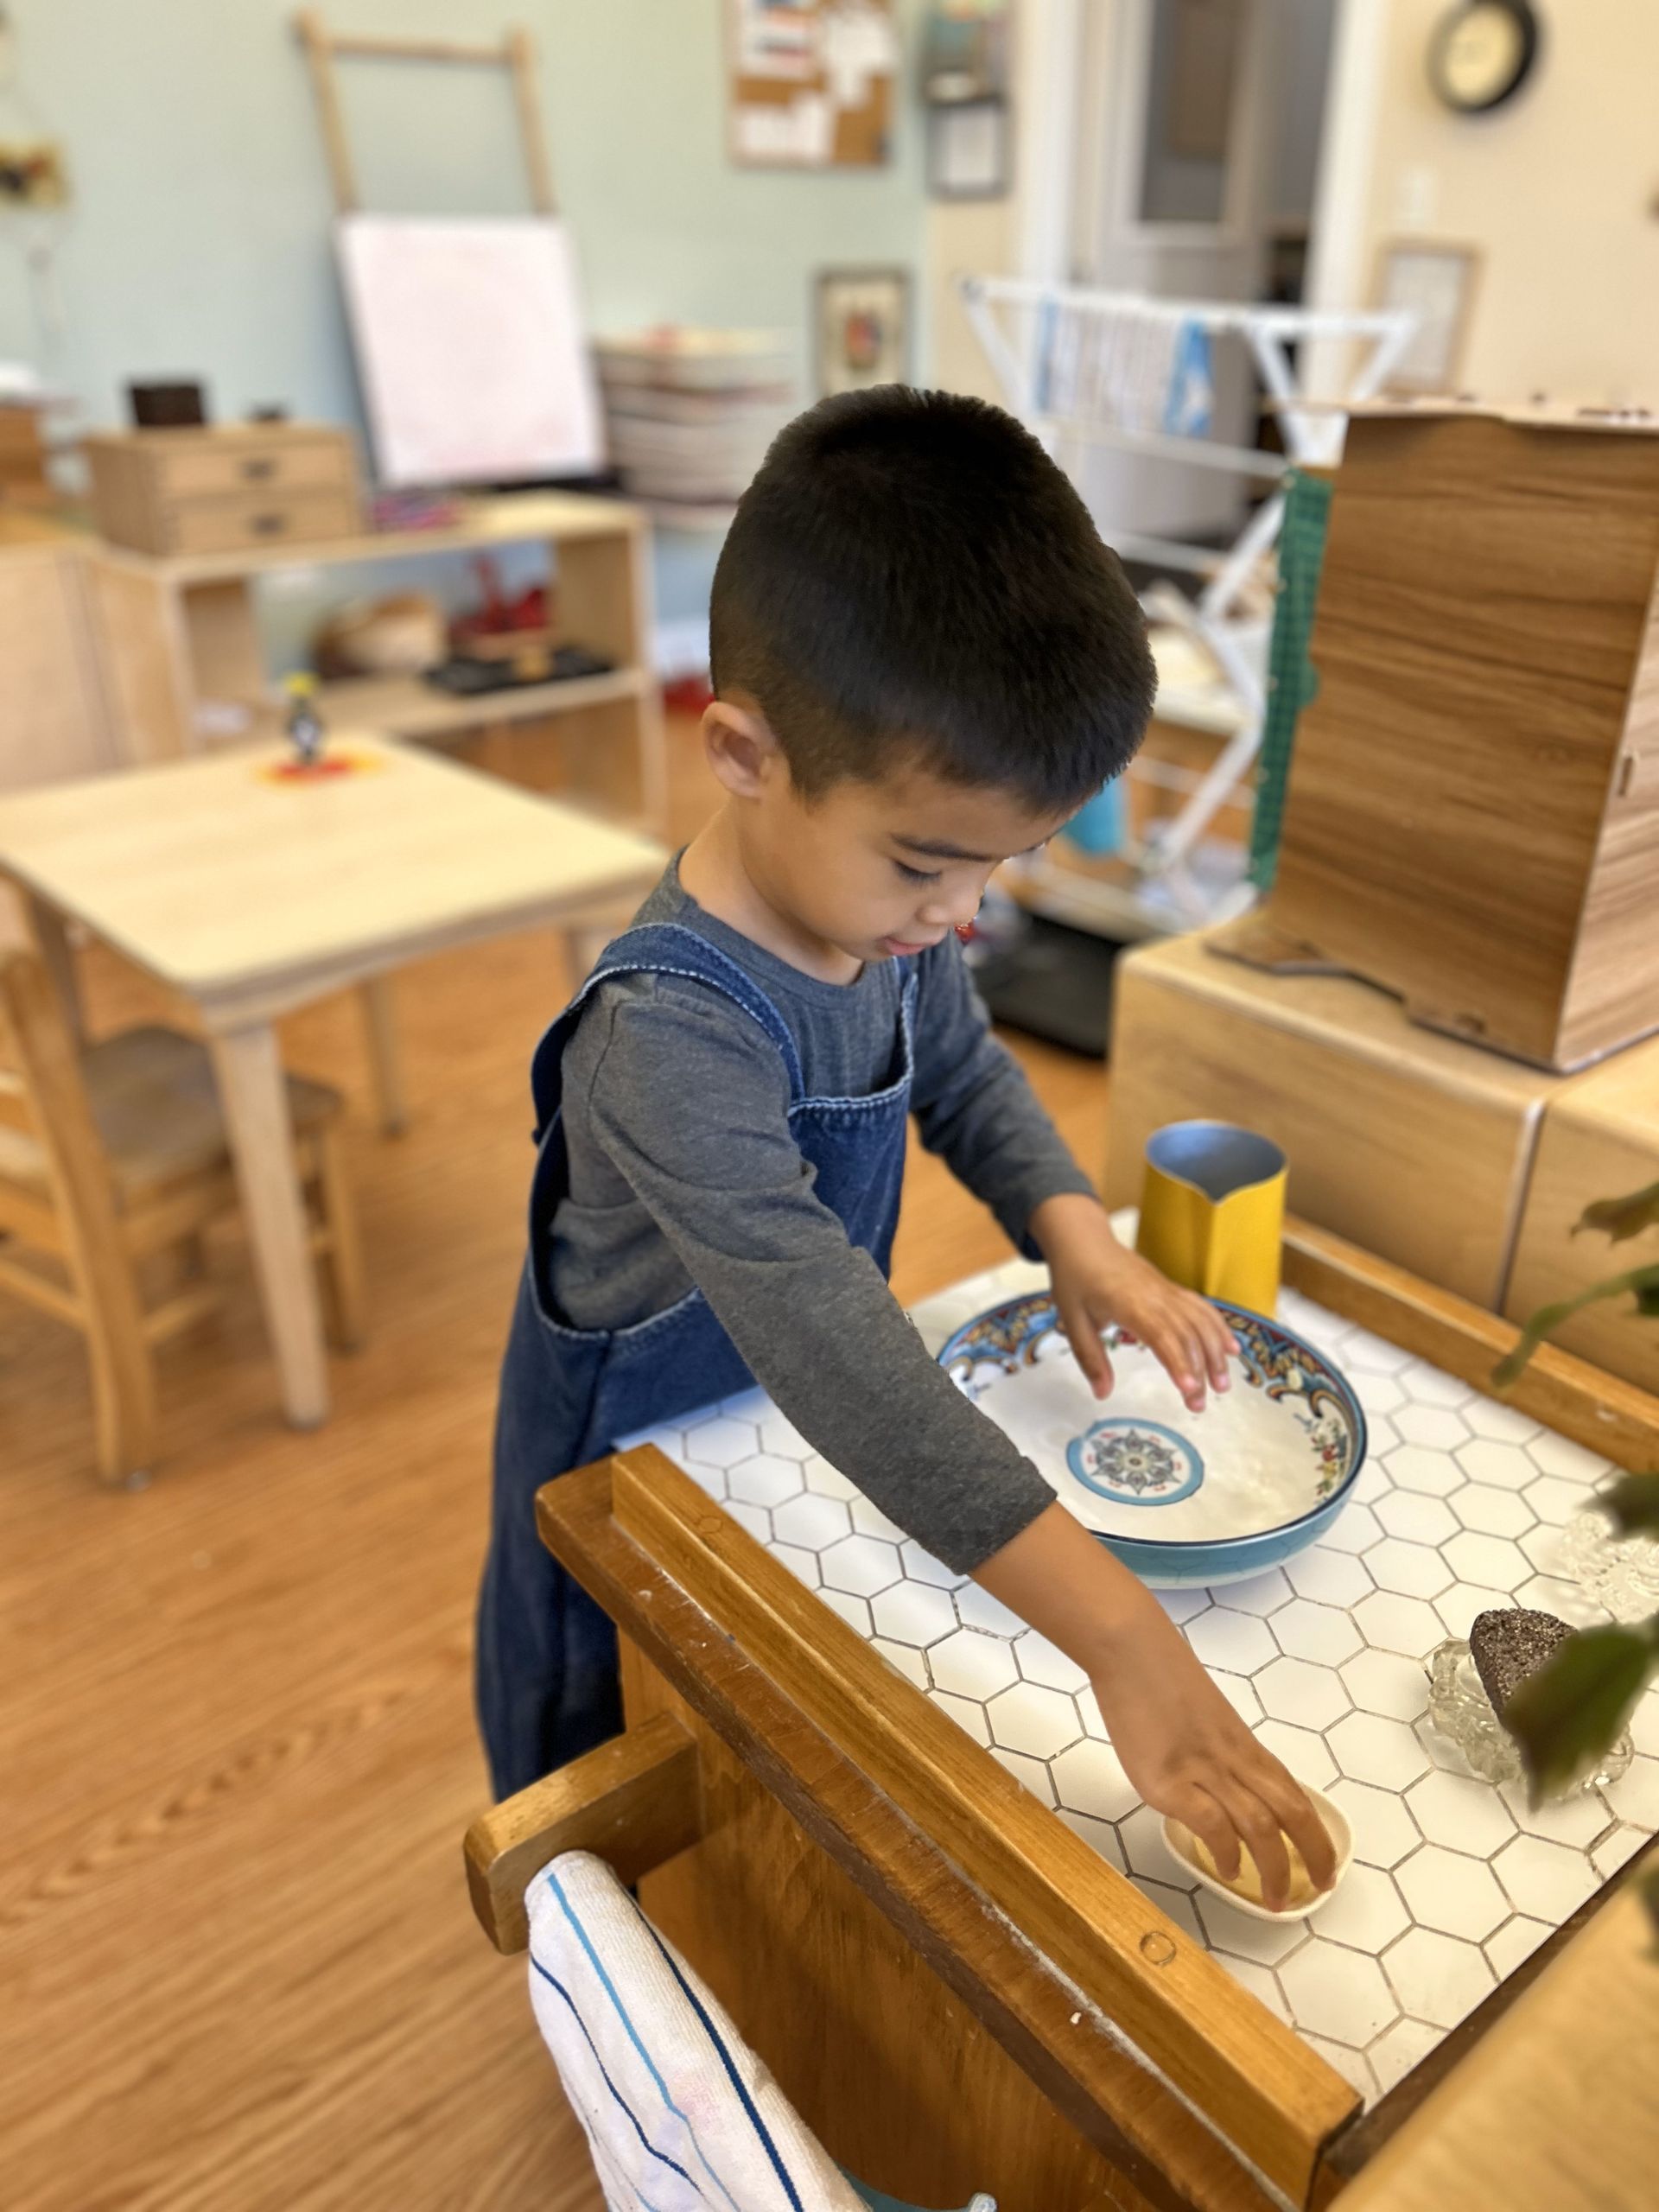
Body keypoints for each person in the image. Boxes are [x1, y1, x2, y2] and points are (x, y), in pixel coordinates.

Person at [477, 385, 1334, 1910]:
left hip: (770, 1421)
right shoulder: (667, 1034)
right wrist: (1124, 1638)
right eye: (931, 861)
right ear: (741, 750)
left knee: (754, 1720)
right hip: (625, 1458)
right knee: (594, 1743)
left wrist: (1073, 1226)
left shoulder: (883, 921)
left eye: (1004, 863)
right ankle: (601, 1970)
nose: (964, 914)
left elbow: (961, 1069)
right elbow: (837, 1347)